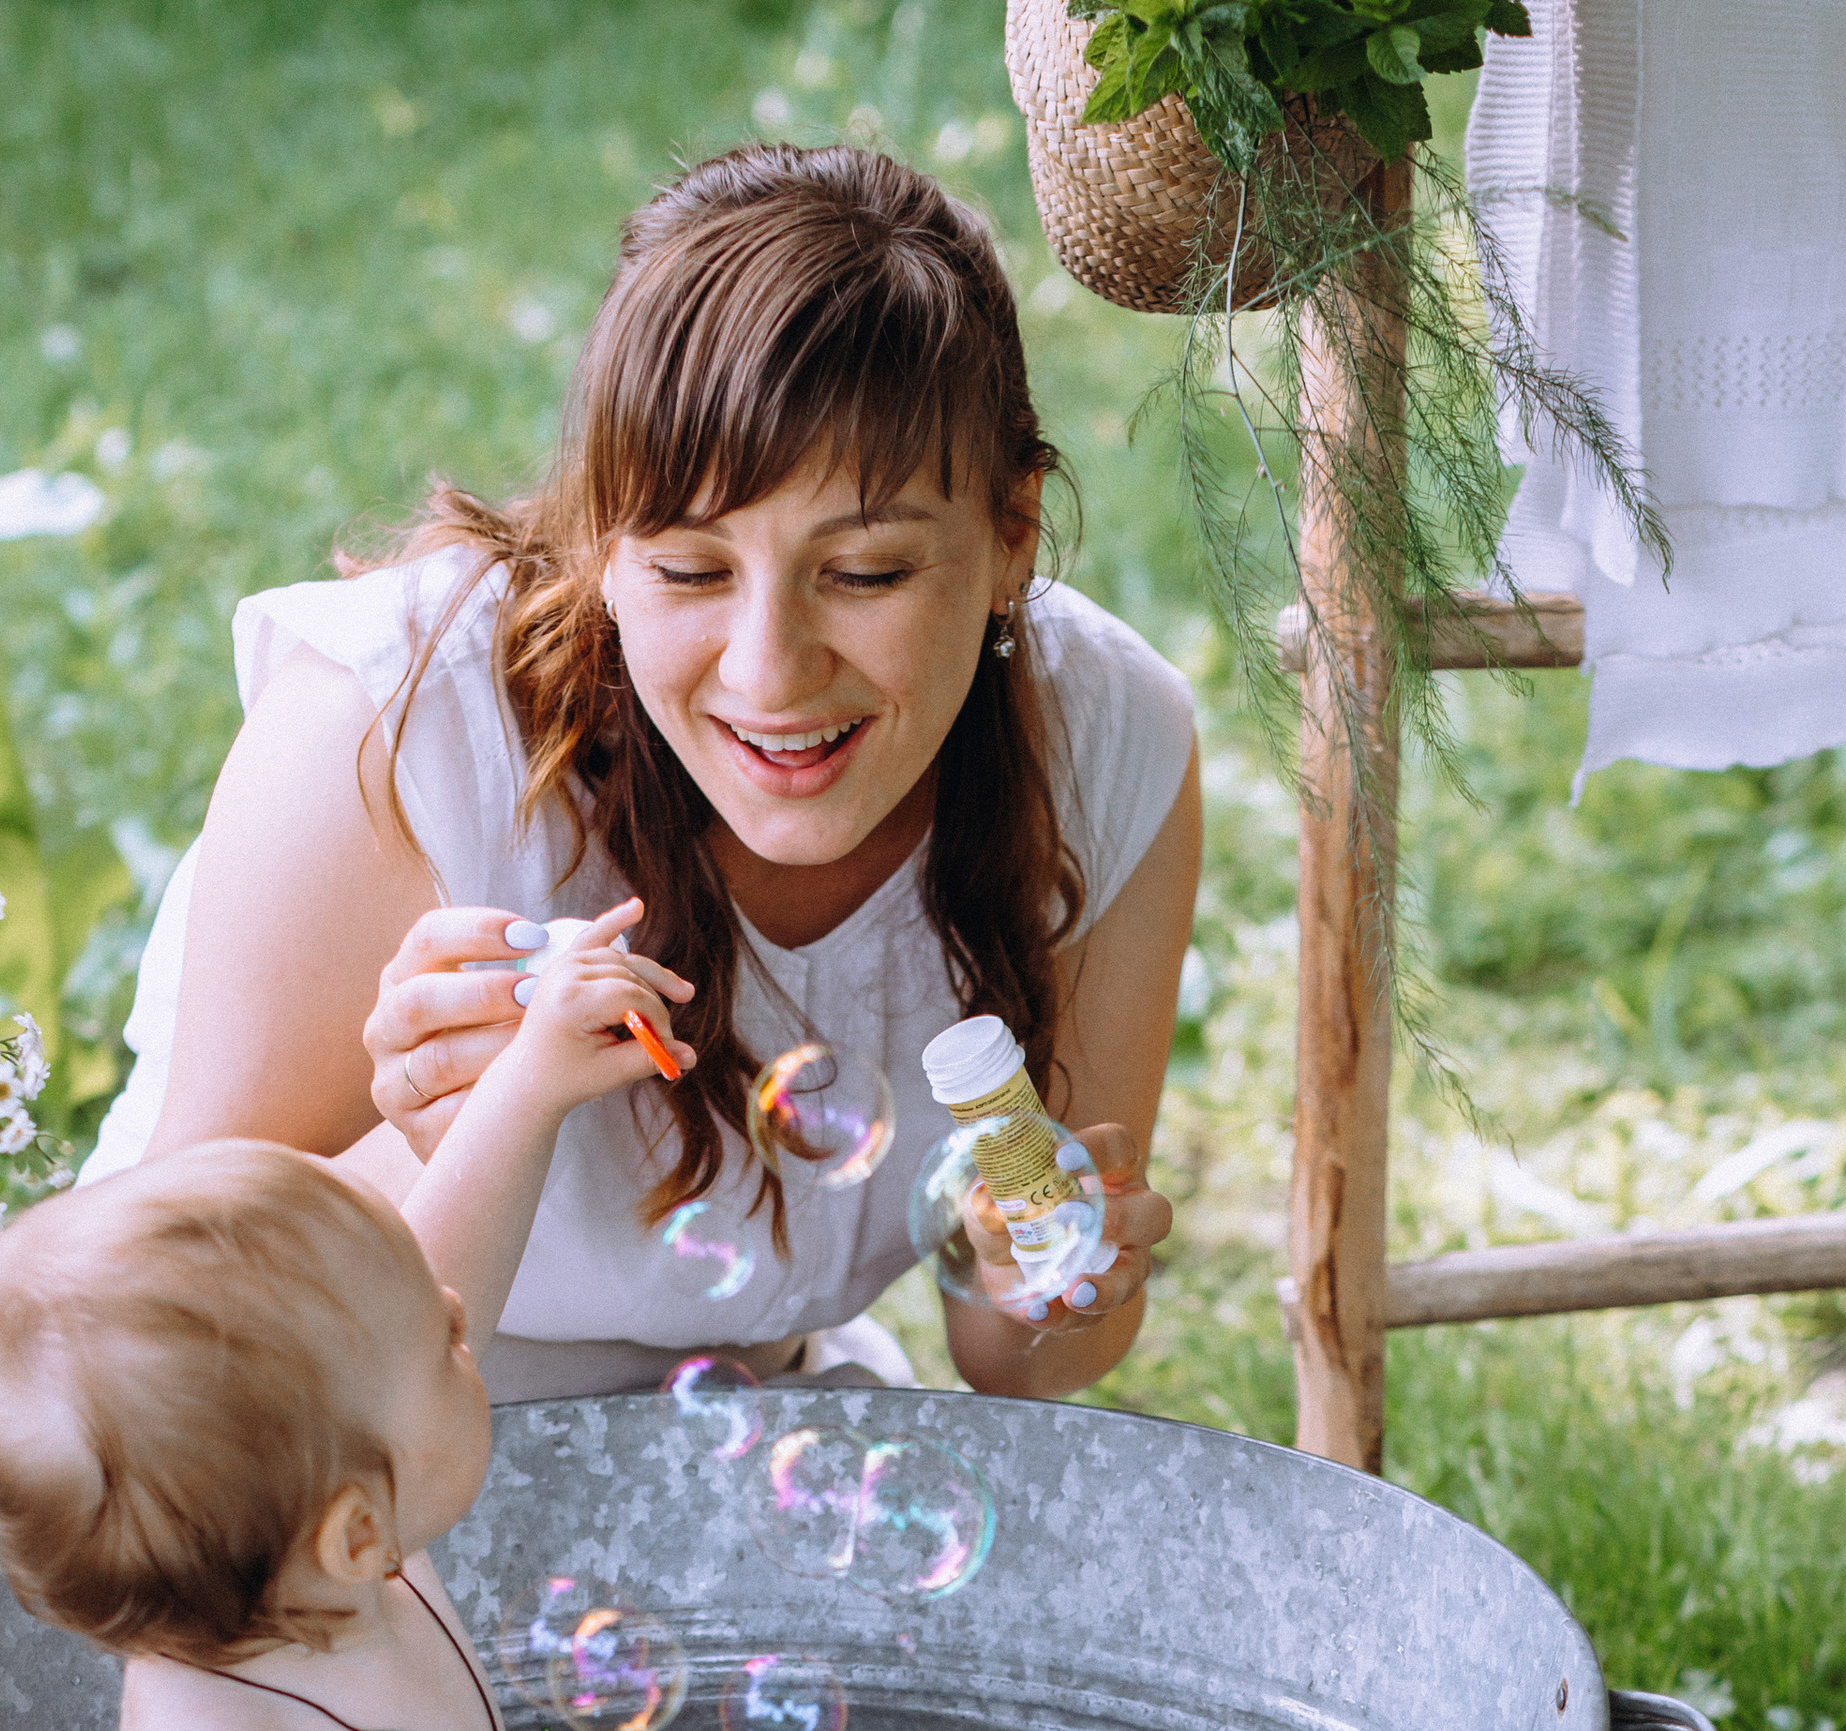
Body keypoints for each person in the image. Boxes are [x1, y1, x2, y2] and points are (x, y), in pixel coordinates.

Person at [84, 141, 1200, 1402]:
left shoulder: (1105, 741)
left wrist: (1035, 1269)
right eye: (688, 571)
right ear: (603, 544)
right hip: (320, 1446)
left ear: (1013, 536)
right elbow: (164, 1335)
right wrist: (454, 1140)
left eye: (867, 572)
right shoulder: (397, 729)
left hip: (739, 1435)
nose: (769, 672)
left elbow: (1029, 1358)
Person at [0, 929, 983, 1731]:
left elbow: (442, 1266)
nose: (461, 1318)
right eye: (438, 1345)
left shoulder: (333, 1545)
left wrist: (536, 1077)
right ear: (356, 1530)